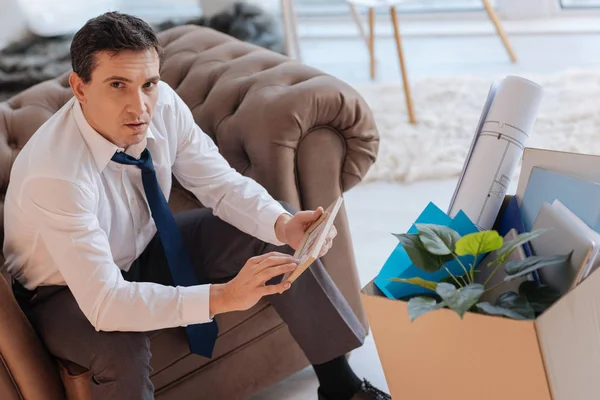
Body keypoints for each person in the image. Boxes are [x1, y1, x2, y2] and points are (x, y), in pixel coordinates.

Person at [3, 11, 390, 400]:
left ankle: (342, 386)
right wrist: (224, 296)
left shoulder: (163, 104)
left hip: (142, 249)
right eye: (117, 85)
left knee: (275, 234)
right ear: (80, 87)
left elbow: (219, 184)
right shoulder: (56, 175)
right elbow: (105, 302)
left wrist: (283, 224)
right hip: (62, 290)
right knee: (121, 345)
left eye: (148, 83)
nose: (139, 106)